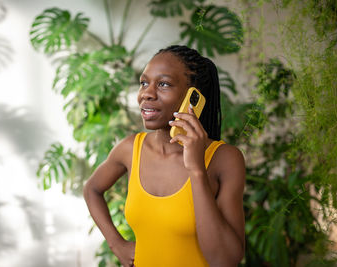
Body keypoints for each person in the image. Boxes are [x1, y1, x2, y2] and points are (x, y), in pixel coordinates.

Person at [83, 45, 246, 267]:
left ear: (193, 97)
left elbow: (225, 260)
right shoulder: (131, 148)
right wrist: (116, 243)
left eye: (163, 84)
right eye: (144, 83)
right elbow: (92, 189)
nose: (147, 93)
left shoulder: (225, 159)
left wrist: (196, 169)